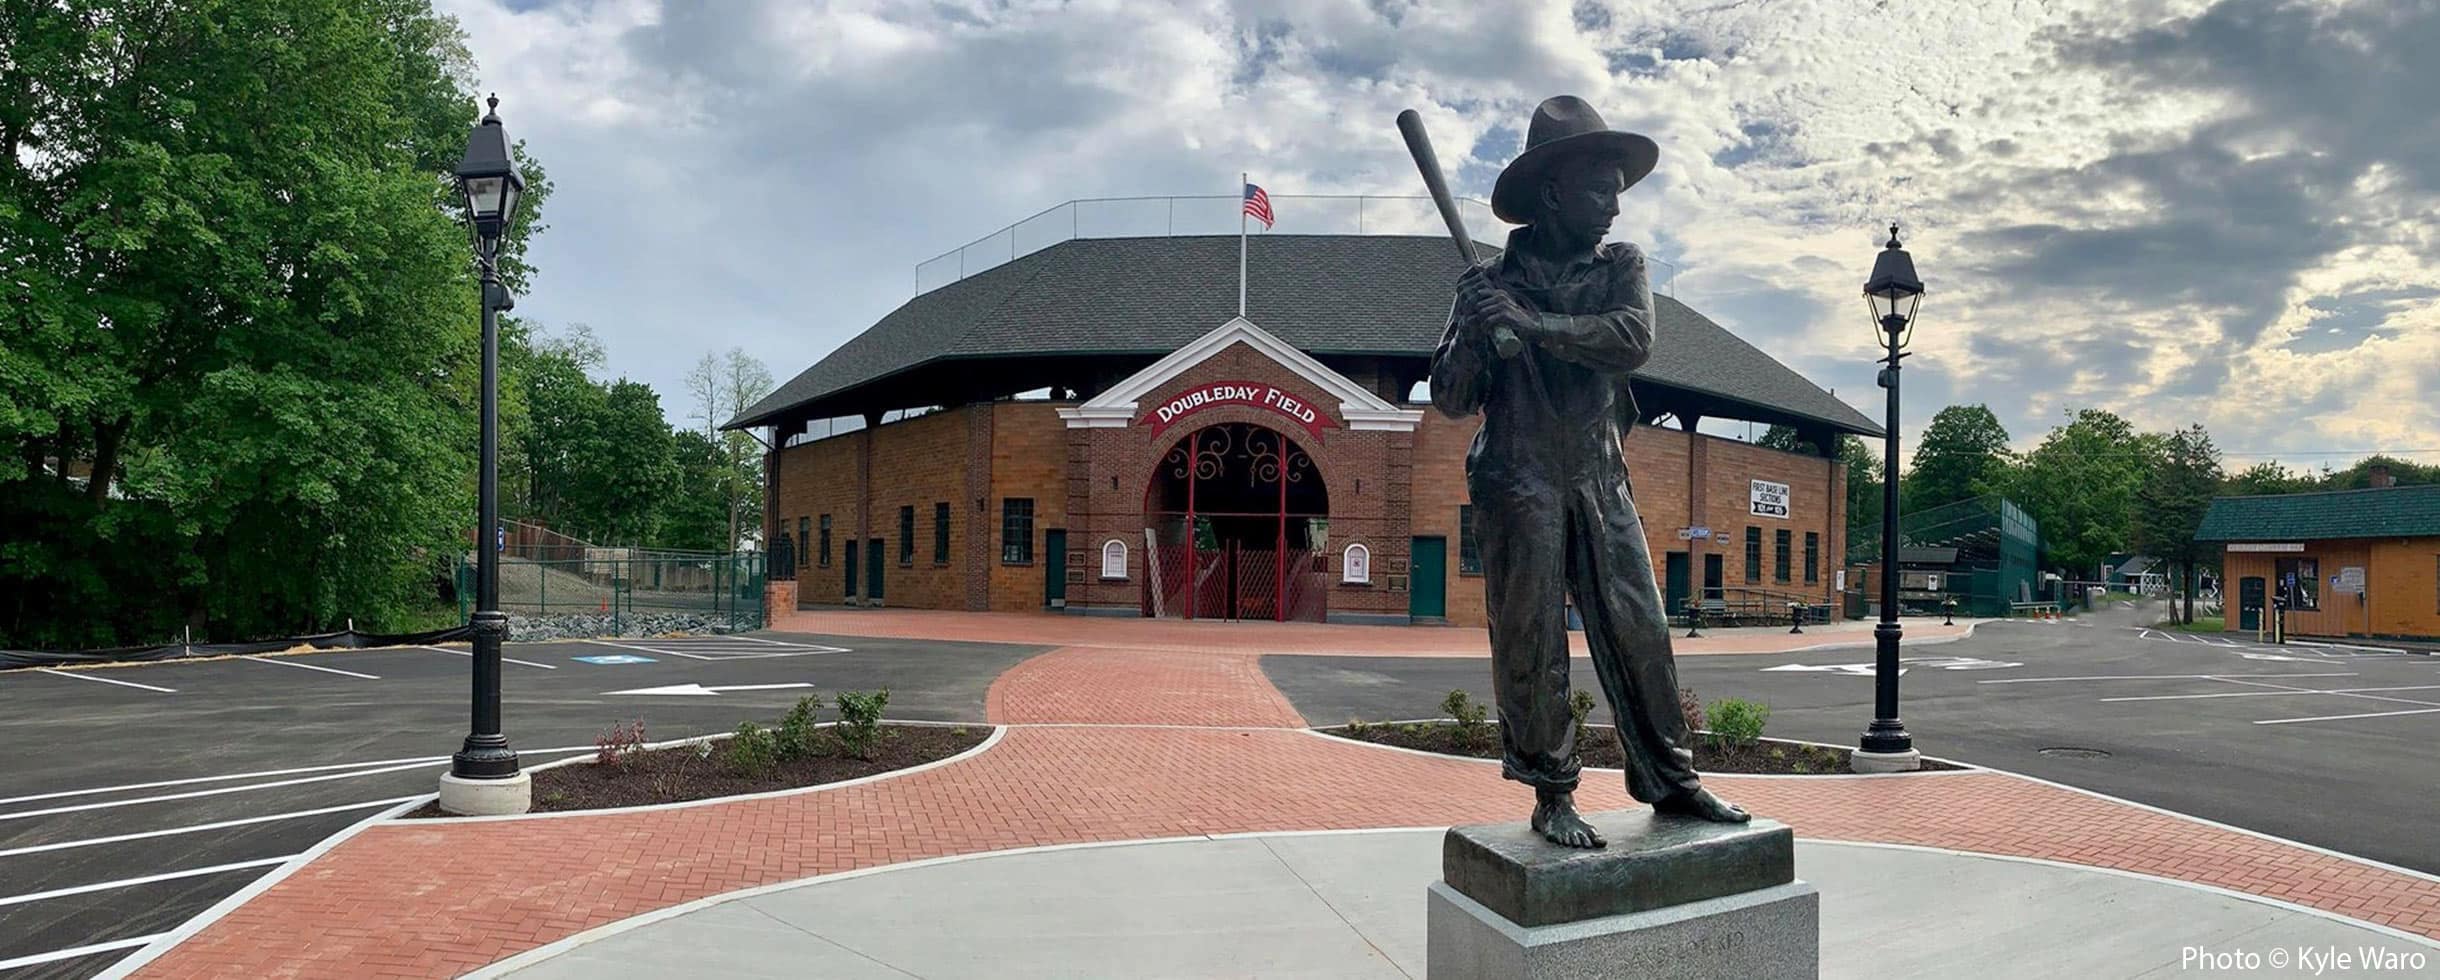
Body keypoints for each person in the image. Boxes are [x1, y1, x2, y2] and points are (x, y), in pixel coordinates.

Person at [1430, 96, 1748, 850]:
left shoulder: (1620, 267)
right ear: (1551, 194)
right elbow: (1449, 395)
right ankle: (1551, 793)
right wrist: (1478, 331)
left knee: (1640, 627)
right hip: (1518, 477)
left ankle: (1672, 780)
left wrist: (1531, 323)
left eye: (1618, 188)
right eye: (1599, 188)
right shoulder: (1485, 282)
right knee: (1531, 638)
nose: (1614, 204)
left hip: (1600, 475)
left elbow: (1631, 337)